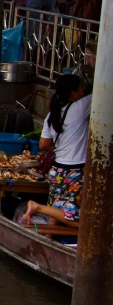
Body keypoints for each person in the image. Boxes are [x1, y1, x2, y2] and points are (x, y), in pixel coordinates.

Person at [21, 74, 91, 228]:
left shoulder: (53, 114)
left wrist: (61, 146)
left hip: (57, 170)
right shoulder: (80, 107)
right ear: (73, 94)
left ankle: (48, 241)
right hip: (75, 172)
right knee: (77, 220)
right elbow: (103, 92)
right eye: (81, 88)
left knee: (56, 211)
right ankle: (37, 206)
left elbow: (43, 144)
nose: (84, 91)